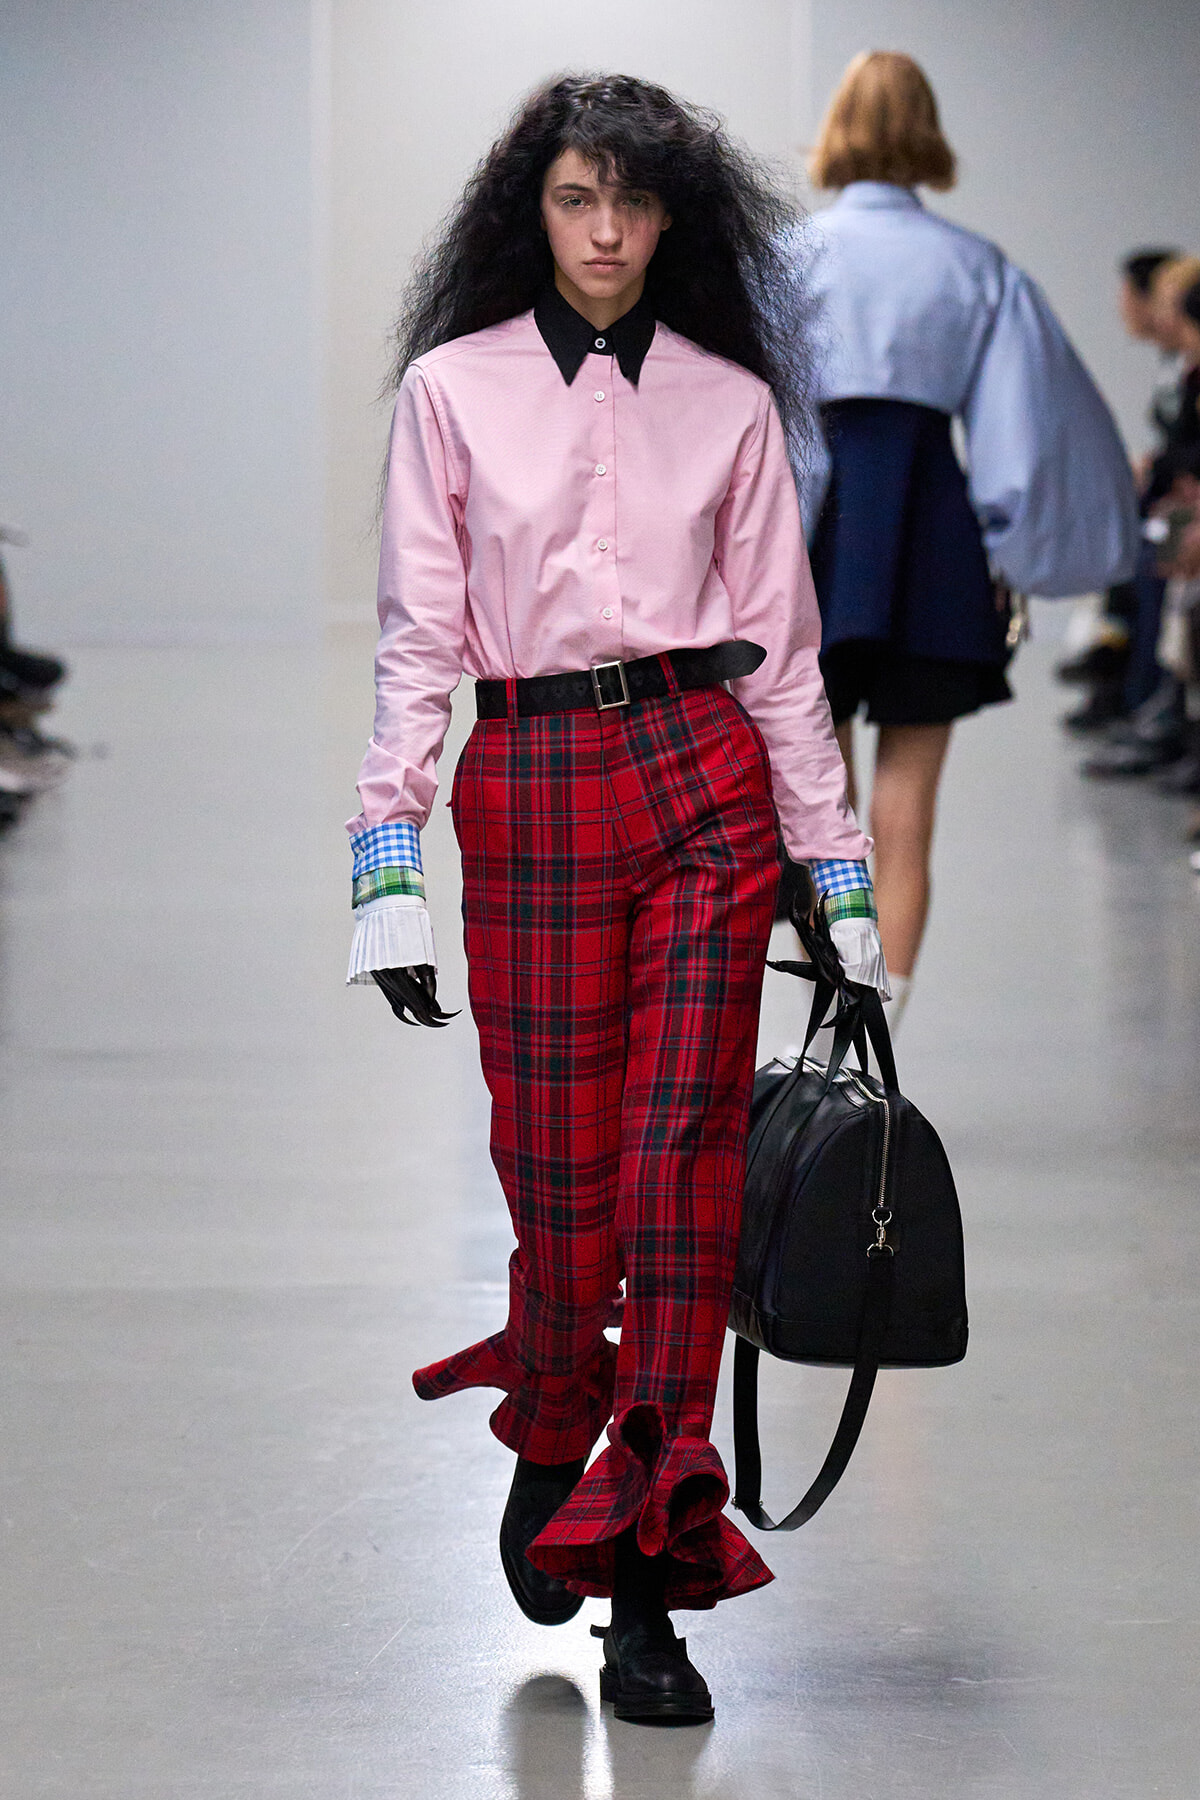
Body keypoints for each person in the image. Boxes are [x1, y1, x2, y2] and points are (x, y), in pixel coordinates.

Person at [343, 75, 887, 1725]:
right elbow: (418, 638)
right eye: (577, 199)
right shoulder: (451, 390)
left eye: (632, 204)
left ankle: (648, 1589)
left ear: (673, 219)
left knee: (679, 1178)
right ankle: (555, 1419)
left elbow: (784, 658)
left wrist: (836, 880)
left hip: (703, 787)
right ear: (533, 209)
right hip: (528, 791)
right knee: (560, 1181)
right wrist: (386, 860)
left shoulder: (731, 402)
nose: (603, 232)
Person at [787, 50, 1137, 1015]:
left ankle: (823, 1026)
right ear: (928, 131)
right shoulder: (976, 266)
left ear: (838, 126)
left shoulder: (787, 256)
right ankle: (879, 1040)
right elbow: (1019, 432)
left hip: (819, 535)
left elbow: (759, 417)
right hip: (931, 528)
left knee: (818, 806)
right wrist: (1011, 550)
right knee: (909, 805)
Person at [1058, 247, 1180, 734]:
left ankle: (1146, 698)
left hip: (1180, 510)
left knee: (1149, 565)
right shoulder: (1176, 366)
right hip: (1169, 503)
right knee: (1117, 547)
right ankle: (1116, 676)